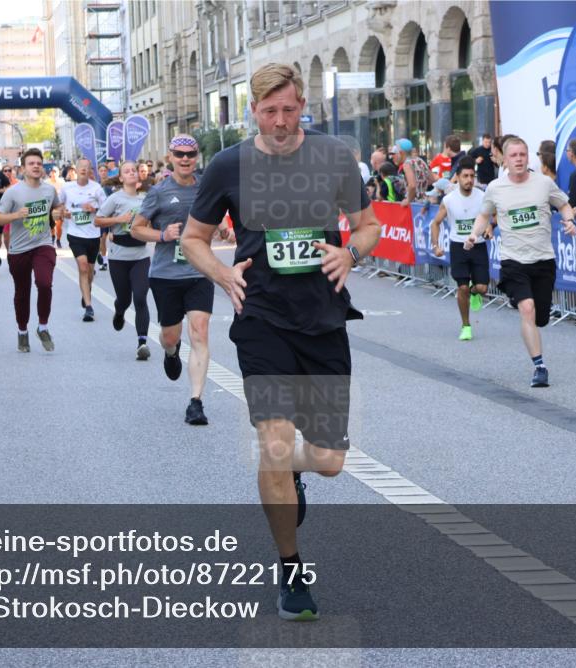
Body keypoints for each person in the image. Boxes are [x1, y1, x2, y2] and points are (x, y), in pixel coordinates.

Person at [182, 62, 381, 622]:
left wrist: (351, 252)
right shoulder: (228, 165)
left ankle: (291, 473)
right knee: (273, 444)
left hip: (323, 321)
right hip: (262, 320)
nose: (280, 121)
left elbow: (368, 224)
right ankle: (291, 569)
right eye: (269, 111)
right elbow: (194, 239)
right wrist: (223, 275)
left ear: (303, 107)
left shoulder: (333, 157)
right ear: (253, 111)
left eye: (289, 110)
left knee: (331, 462)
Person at [464, 136, 576, 387]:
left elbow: (564, 205)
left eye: (522, 155)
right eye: (513, 155)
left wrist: (569, 221)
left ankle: (535, 323)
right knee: (527, 308)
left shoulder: (544, 183)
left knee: (540, 317)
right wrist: (474, 234)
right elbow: (483, 215)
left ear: (528, 157)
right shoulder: (495, 188)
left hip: (543, 259)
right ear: (504, 160)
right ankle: (540, 367)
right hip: (513, 260)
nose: (518, 159)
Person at [130, 135, 222, 425]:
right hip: (166, 275)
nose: (185, 159)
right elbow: (136, 229)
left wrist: (223, 228)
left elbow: (217, 216)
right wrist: (162, 235)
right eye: (179, 154)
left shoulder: (206, 188)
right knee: (171, 336)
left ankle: (196, 402)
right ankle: (171, 352)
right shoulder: (158, 192)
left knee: (200, 331)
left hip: (199, 272)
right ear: (170, 157)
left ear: (197, 157)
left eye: (190, 154)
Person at [0, 148, 63, 353]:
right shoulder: (13, 192)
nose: (36, 166)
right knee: (22, 293)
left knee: (44, 283)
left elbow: (58, 208)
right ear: (23, 169)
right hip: (19, 249)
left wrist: (58, 213)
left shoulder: (49, 190)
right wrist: (16, 215)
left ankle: (43, 327)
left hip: (43, 244)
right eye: (31, 163)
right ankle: (22, 331)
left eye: (39, 163)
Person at [96, 161, 151, 360]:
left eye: (134, 170)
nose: (131, 173)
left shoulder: (146, 199)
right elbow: (97, 220)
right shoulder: (115, 199)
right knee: (124, 299)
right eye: (127, 171)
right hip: (119, 257)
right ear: (121, 178)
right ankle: (119, 312)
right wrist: (118, 220)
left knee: (140, 297)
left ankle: (142, 343)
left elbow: (153, 220)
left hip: (141, 255)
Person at [430, 157, 489, 340]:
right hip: (458, 247)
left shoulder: (482, 196)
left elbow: (491, 216)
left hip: (478, 246)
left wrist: (489, 228)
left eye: (472, 176)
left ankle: (474, 292)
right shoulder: (449, 200)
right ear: (457, 177)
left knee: (482, 288)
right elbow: (435, 223)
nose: (469, 180)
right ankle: (466, 326)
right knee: (462, 288)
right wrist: (436, 246)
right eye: (465, 176)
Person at [59, 158, 106, 321]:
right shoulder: (67, 188)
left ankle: (86, 290)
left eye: (87, 167)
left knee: (89, 272)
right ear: (76, 169)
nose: (84, 169)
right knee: (83, 267)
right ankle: (89, 307)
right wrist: (63, 212)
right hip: (75, 234)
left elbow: (106, 208)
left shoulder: (96, 188)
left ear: (90, 170)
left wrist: (94, 209)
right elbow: (58, 205)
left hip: (93, 235)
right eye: (81, 167)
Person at [390, 138, 431, 208]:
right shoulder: (420, 160)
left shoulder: (407, 164)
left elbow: (412, 185)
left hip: (414, 204)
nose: (393, 156)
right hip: (424, 202)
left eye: (396, 153)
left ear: (401, 153)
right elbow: (432, 179)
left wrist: (408, 200)